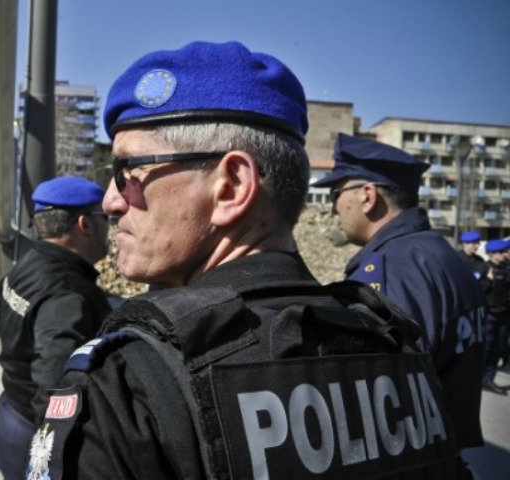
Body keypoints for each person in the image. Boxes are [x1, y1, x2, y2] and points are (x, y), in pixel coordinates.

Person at [28, 41, 471, 480]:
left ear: (231, 188)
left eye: (127, 173)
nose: (111, 201)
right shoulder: (396, 350)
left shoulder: (126, 385)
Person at [312, 134, 487, 452]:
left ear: (368, 196)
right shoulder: (442, 253)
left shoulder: (389, 267)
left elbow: (375, 388)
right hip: (445, 448)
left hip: (411, 456)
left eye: (337, 192)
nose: (334, 207)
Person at [0, 176, 112, 479]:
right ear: (85, 224)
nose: (109, 227)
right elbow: (55, 385)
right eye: (105, 217)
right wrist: (51, 458)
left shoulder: (30, 260)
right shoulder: (68, 292)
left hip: (10, 412)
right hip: (35, 431)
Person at [477, 239, 510, 394]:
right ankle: (478, 377)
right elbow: (476, 288)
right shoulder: (483, 268)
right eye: (500, 252)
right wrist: (488, 280)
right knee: (487, 346)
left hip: (503, 314)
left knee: (498, 347)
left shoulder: (506, 268)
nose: (504, 254)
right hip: (489, 314)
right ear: (491, 254)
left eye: (504, 251)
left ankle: (488, 378)